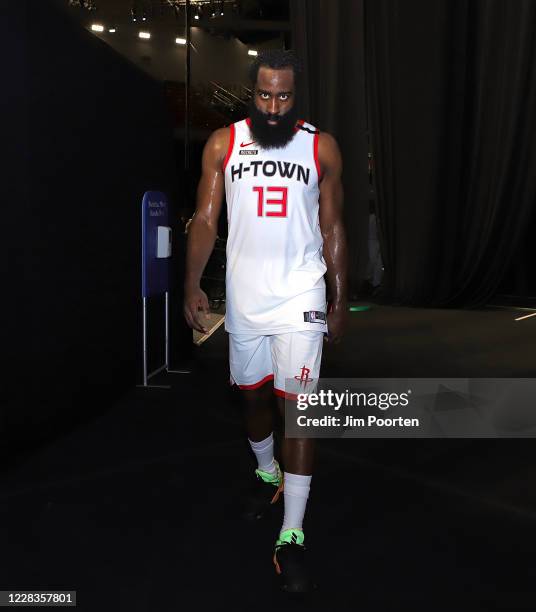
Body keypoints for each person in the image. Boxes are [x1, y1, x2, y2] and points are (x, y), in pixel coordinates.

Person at [183, 49, 347, 593]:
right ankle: (265, 473)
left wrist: (339, 297)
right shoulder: (223, 143)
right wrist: (191, 284)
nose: (274, 106)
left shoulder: (319, 146)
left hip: (301, 293)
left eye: (284, 96)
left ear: (296, 96)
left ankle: (293, 531)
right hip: (246, 300)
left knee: (298, 411)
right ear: (250, 91)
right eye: (264, 95)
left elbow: (333, 226)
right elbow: (206, 219)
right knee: (252, 397)